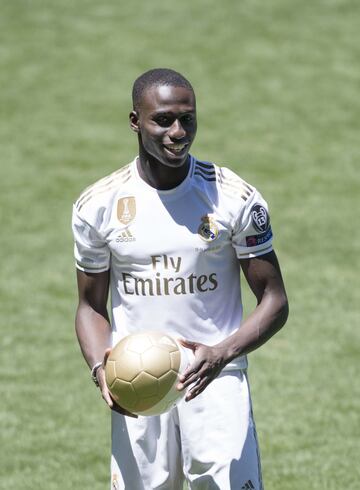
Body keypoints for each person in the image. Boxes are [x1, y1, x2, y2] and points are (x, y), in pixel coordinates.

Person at [72, 68, 289, 490]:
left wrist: (223, 353)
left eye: (187, 119)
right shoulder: (99, 206)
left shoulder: (231, 197)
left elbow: (275, 299)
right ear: (136, 121)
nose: (178, 132)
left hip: (217, 376)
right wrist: (102, 369)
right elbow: (89, 306)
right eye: (163, 120)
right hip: (136, 379)